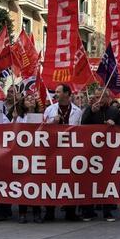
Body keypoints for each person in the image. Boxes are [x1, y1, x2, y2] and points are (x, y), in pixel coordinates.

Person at [80, 89, 120, 222]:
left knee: (107, 182)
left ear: (107, 98)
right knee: (89, 182)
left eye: (101, 97)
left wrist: (115, 125)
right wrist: (91, 111)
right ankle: (88, 211)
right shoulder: (89, 109)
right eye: (96, 96)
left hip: (108, 153)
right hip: (91, 152)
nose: (98, 99)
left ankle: (108, 211)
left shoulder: (115, 112)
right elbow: (83, 125)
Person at [42, 84, 82, 221]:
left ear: (66, 93)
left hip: (71, 150)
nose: (56, 94)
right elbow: (41, 129)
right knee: (51, 180)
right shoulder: (49, 110)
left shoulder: (77, 111)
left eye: (58, 92)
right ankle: (49, 212)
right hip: (53, 150)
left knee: (71, 181)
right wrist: (52, 123)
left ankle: (71, 212)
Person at [13, 93, 43, 223]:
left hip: (37, 154)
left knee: (36, 184)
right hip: (22, 155)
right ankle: (22, 213)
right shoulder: (19, 118)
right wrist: (13, 121)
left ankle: (37, 213)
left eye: (32, 99)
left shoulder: (42, 117)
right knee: (22, 183)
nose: (30, 100)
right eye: (27, 99)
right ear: (23, 103)